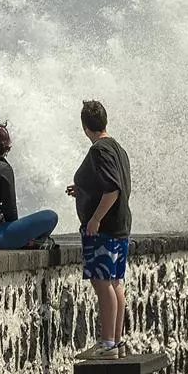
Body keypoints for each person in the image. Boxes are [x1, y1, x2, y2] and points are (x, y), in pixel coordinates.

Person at [66, 99, 132, 356]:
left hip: (104, 229)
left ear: (85, 126)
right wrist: (83, 189)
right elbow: (111, 184)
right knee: (114, 282)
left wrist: (95, 219)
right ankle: (117, 341)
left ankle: (107, 343)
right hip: (120, 225)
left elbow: (113, 189)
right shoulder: (118, 148)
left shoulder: (99, 150)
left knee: (102, 282)